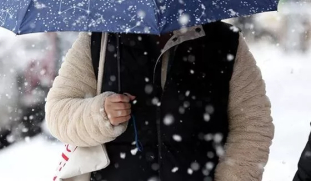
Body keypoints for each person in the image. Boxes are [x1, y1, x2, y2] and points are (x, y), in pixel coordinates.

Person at [46, 21, 274, 181]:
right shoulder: (100, 40)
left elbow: (253, 125)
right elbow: (58, 113)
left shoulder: (225, 41)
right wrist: (100, 114)